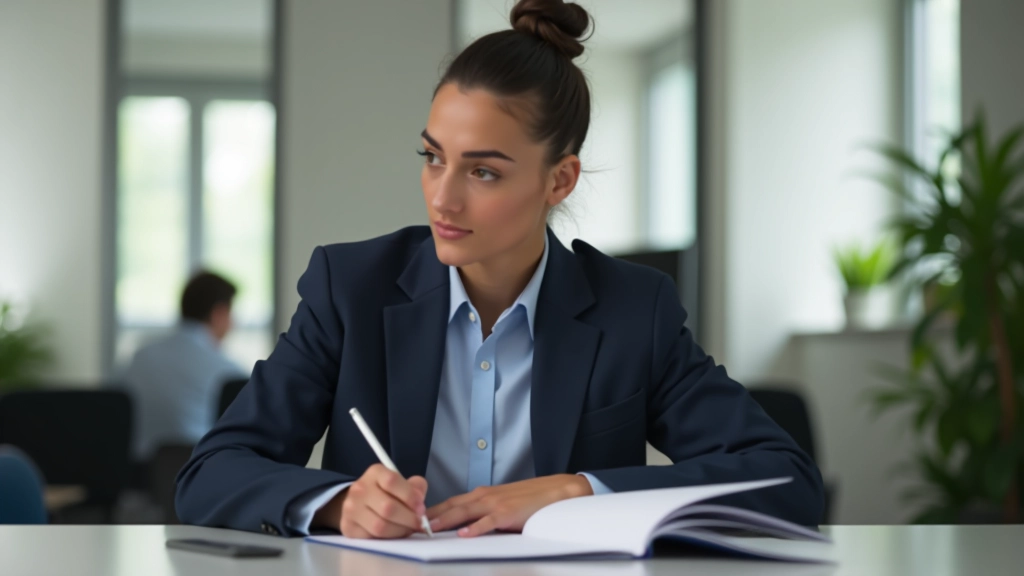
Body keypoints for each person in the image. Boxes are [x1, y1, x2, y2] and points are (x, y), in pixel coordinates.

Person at [176, 0, 824, 539]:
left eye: (482, 171)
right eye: (433, 157)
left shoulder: (634, 310)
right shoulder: (351, 289)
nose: (442, 197)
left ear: (560, 179)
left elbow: (786, 480)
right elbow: (210, 473)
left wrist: (578, 492)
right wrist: (339, 504)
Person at [124, 271, 244, 462]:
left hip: (138, 479)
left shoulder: (140, 356)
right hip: (202, 475)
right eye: (231, 315)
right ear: (219, 313)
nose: (232, 324)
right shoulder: (228, 371)